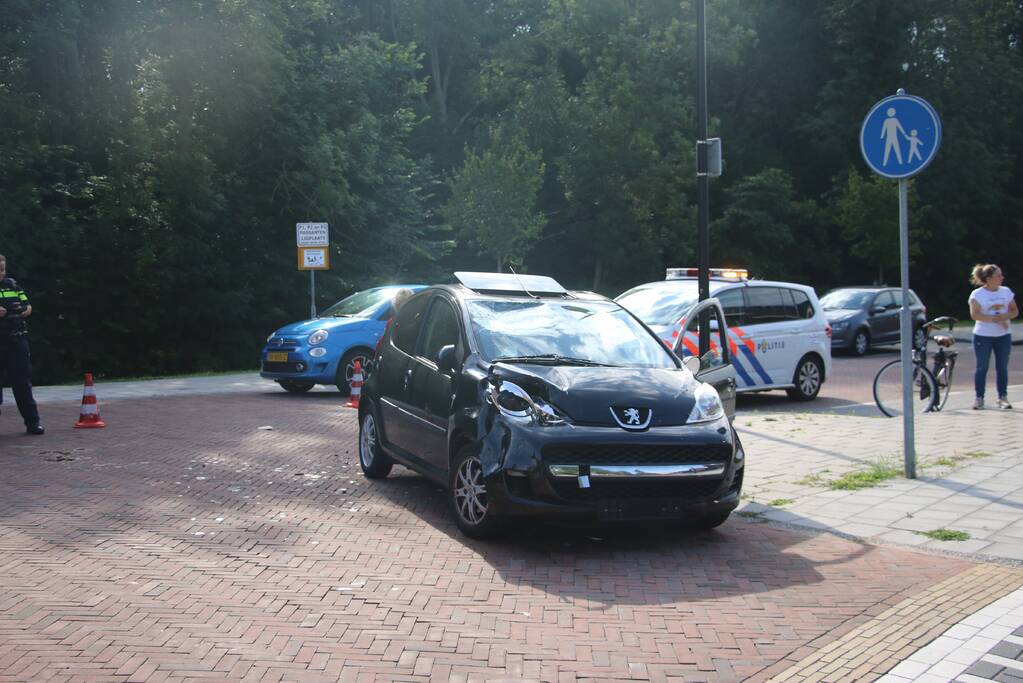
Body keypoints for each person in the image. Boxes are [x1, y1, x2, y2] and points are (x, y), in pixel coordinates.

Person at [0, 254, 44, 433]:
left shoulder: (12, 284)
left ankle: (33, 423)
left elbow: (28, 306)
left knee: (22, 382)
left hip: (16, 339)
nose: (0, 273)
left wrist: (24, 310)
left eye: (2, 269)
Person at [968, 264, 1018, 410]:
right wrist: (996, 319)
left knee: (1002, 367)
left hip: (1003, 336)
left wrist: (1005, 316)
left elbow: (1015, 311)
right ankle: (979, 398)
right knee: (982, 367)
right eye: (998, 275)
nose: (1001, 277)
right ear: (988, 279)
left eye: (1001, 275)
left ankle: (1002, 397)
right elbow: (975, 315)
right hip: (983, 336)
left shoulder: (1006, 291)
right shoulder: (977, 294)